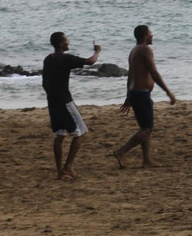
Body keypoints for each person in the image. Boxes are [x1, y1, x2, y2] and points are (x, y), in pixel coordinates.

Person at [113, 25, 176, 169]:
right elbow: (153, 72)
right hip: (141, 94)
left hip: (136, 93)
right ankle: (121, 152)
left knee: (144, 127)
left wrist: (128, 95)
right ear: (144, 35)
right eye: (150, 33)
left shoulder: (133, 51)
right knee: (147, 129)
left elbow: (131, 76)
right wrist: (168, 91)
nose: (152, 36)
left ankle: (146, 160)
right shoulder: (145, 49)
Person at [42, 32, 101, 179]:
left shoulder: (48, 59)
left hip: (52, 101)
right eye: (67, 41)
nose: (68, 43)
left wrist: (51, 95)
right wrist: (97, 51)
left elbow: (44, 82)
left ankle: (59, 172)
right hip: (65, 101)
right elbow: (90, 62)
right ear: (62, 44)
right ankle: (68, 166)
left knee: (59, 135)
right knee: (81, 132)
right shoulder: (66, 58)